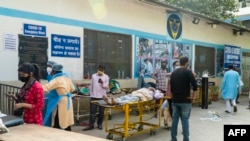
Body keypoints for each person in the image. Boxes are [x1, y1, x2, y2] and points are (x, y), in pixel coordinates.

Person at [170, 57, 197, 141]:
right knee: (185, 120)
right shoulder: (188, 72)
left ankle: (173, 139)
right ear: (186, 63)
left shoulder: (173, 73)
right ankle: (186, 139)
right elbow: (195, 85)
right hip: (185, 100)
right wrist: (194, 96)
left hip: (175, 100)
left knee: (174, 120)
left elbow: (171, 87)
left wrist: (173, 96)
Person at [43, 64, 75, 131]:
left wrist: (37, 86)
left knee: (59, 119)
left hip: (61, 102)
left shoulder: (56, 80)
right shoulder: (67, 78)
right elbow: (73, 89)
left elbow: (46, 88)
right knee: (67, 119)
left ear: (53, 71)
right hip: (68, 100)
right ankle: (69, 133)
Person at [83, 65, 110, 131]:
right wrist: (90, 93)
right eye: (99, 69)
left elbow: (107, 87)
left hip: (102, 97)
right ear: (97, 69)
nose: (100, 71)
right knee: (92, 112)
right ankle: (91, 125)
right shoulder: (93, 76)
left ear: (103, 71)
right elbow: (92, 85)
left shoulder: (106, 77)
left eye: (101, 70)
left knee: (101, 112)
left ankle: (99, 124)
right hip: (94, 96)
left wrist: (102, 83)